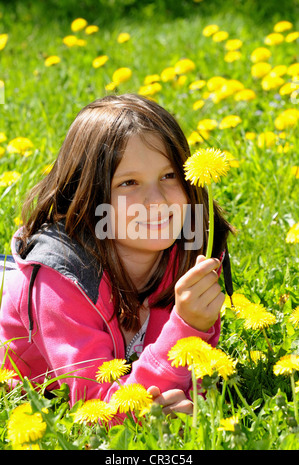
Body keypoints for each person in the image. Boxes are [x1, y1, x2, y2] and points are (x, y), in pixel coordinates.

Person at [0, 94, 233, 418]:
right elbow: (99, 409)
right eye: (129, 182)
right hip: (46, 382)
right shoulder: (60, 282)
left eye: (169, 175)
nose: (157, 201)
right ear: (90, 194)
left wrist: (175, 394)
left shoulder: (189, 251)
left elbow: (185, 380)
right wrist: (187, 328)